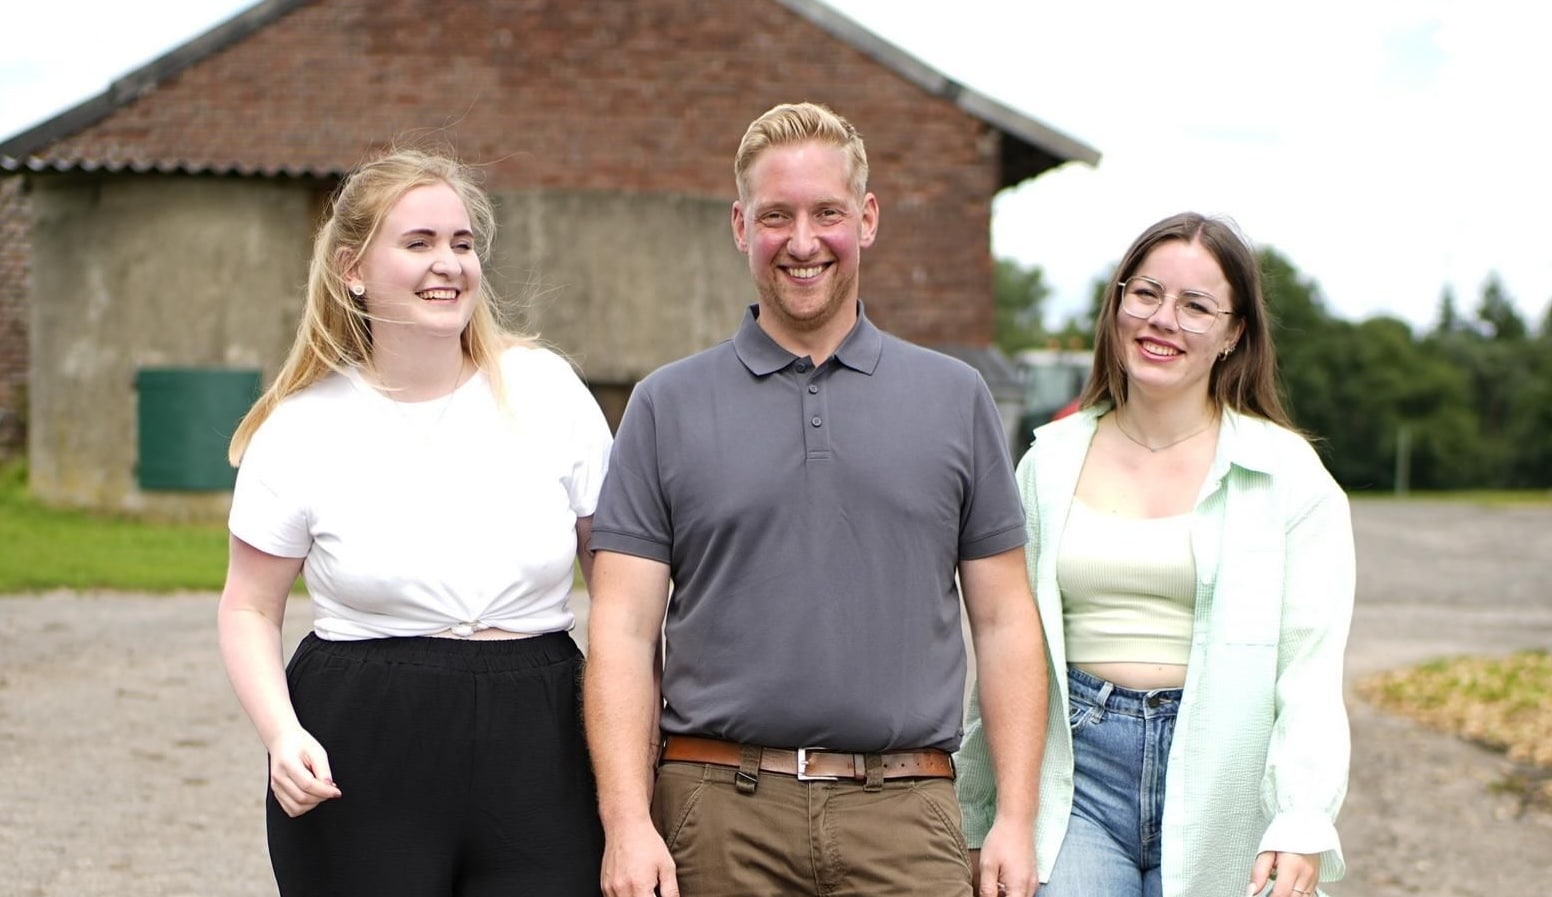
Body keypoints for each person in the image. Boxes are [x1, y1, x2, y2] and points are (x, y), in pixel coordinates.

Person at [582, 101, 1047, 897]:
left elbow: (1004, 620)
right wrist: (628, 823)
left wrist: (1014, 817)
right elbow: (622, 630)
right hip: (716, 813)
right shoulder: (666, 405)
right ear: (739, 225)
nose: (802, 242)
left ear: (866, 218)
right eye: (776, 216)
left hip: (905, 815)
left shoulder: (954, 398)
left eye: (826, 213)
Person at [217, 147, 612, 896]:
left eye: (462, 244)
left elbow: (619, 584)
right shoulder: (299, 428)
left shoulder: (547, 391)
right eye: (420, 242)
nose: (449, 264)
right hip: (362, 744)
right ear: (352, 268)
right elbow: (247, 604)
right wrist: (281, 734)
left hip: (541, 737)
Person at [956, 212, 1355, 897]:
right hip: (1076, 775)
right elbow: (1004, 640)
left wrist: (1301, 816)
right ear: (1117, 306)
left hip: (1227, 769)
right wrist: (987, 812)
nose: (1163, 318)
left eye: (1196, 305)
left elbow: (1310, 666)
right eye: (1146, 294)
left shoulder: (1287, 475)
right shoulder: (1047, 464)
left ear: (1234, 334)